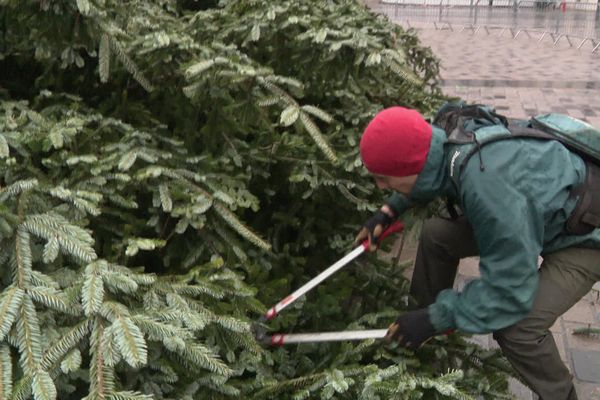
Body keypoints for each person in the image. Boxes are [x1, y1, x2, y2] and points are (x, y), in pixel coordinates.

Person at [354, 106, 600, 400]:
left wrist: (439, 317)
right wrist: (389, 210)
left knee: (517, 329)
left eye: (384, 179)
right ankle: (418, 340)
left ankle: (561, 395)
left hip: (584, 238)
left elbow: (509, 292)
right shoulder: (445, 135)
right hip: (537, 212)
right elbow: (427, 170)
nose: (380, 186)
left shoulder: (486, 186)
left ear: (411, 168)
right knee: (437, 235)